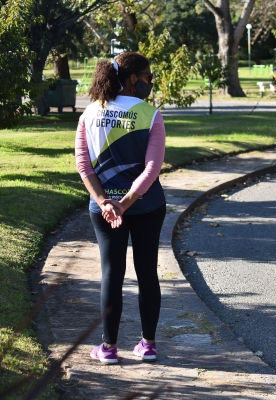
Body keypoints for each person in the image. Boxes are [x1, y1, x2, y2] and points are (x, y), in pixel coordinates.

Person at [75, 52, 166, 364]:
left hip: (103, 210)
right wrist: (126, 203)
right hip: (147, 206)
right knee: (147, 272)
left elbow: (83, 165)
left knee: (111, 273)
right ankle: (148, 345)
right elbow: (152, 168)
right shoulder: (150, 114)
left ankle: (109, 349)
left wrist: (105, 203)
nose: (149, 83)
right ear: (132, 79)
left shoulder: (89, 113)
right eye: (147, 77)